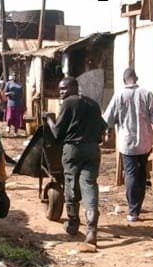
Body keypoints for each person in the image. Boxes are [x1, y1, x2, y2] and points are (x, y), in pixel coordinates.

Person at [44, 77, 107, 250]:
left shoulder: (68, 104)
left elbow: (57, 133)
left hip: (73, 150)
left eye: (64, 88)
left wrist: (49, 119)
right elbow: (103, 127)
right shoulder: (93, 104)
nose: (61, 92)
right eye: (60, 89)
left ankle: (73, 223)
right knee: (90, 186)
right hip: (93, 150)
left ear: (73, 88)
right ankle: (92, 229)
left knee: (71, 184)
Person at [102, 68, 153, 223]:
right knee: (142, 173)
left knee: (130, 174)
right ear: (136, 78)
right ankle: (137, 206)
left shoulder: (119, 95)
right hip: (145, 142)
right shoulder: (146, 93)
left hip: (127, 142)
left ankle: (133, 211)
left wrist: (105, 134)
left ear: (124, 80)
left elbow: (108, 119)